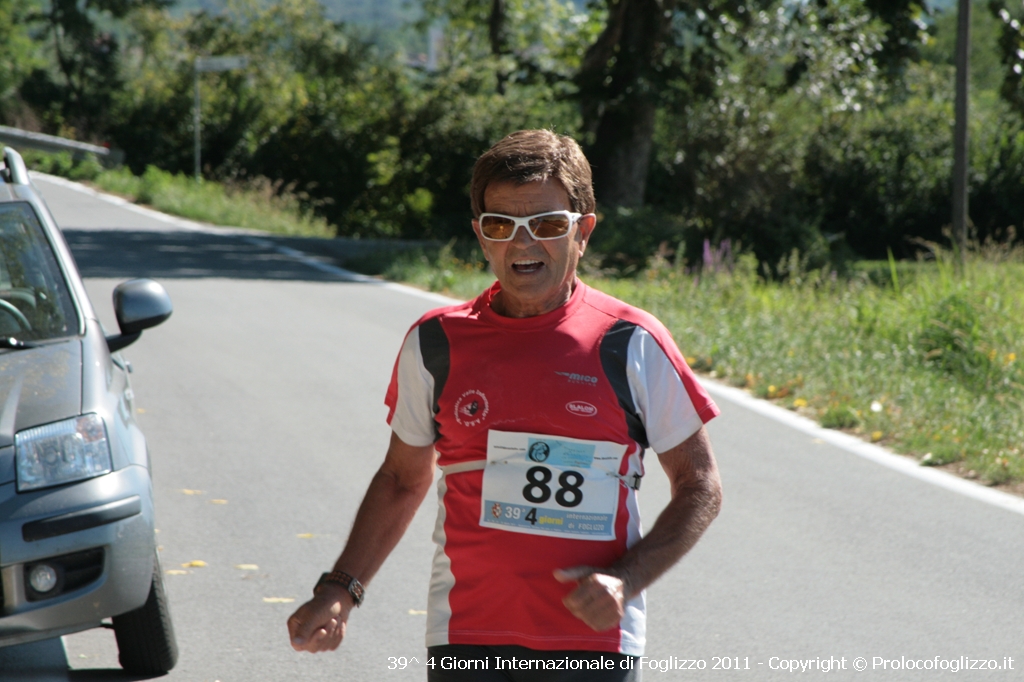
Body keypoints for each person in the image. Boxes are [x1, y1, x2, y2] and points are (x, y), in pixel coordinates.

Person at [287, 130, 722, 681]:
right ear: (481, 235)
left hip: (592, 643)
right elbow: (400, 480)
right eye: (501, 226)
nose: (523, 243)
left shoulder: (631, 342)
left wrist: (627, 578)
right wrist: (340, 589)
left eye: (547, 224)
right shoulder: (437, 343)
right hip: (466, 637)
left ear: (583, 231)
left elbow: (700, 485)